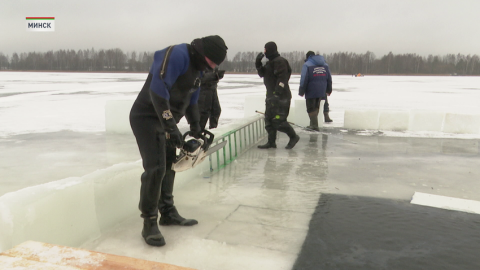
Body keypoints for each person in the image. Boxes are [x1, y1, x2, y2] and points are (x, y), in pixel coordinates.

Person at [129, 35, 228, 247]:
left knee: (169, 165)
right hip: (146, 117)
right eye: (212, 62)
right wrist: (170, 125)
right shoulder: (177, 55)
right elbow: (157, 91)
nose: (212, 67)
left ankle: (167, 212)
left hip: (167, 120)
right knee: (156, 168)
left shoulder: (200, 68)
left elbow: (192, 99)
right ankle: (149, 223)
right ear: (204, 55)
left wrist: (196, 127)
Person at [255, 42, 299, 149]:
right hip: (270, 96)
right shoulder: (269, 62)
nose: (264, 51)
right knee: (269, 121)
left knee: (278, 121)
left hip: (281, 97)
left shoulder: (280, 61)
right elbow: (262, 74)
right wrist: (258, 64)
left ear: (270, 50)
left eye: (265, 49)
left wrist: (277, 93)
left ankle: (293, 137)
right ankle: (271, 142)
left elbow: (282, 78)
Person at [299, 51, 333, 130]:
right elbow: (329, 79)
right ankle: (312, 124)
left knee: (311, 108)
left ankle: (314, 126)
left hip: (311, 90)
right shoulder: (325, 65)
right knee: (316, 107)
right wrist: (329, 89)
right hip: (322, 90)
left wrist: (301, 90)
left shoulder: (307, 65)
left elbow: (304, 79)